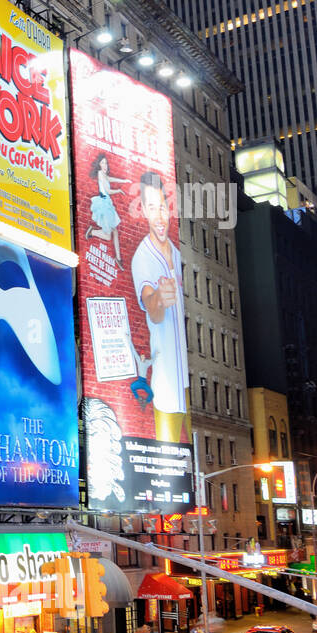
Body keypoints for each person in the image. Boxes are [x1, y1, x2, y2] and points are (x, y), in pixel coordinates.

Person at [130, 170, 190, 443]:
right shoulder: (142, 257)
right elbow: (151, 307)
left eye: (162, 207)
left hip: (187, 390)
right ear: (143, 210)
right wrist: (159, 300)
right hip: (166, 393)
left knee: (192, 473)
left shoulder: (177, 255)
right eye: (151, 207)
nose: (159, 215)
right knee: (168, 466)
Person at [83, 154, 134, 269]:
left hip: (108, 204)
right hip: (104, 204)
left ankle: (119, 258)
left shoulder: (104, 175)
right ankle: (92, 232)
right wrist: (119, 190)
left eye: (106, 163)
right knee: (108, 236)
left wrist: (124, 180)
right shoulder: (100, 174)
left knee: (115, 231)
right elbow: (107, 190)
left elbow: (110, 179)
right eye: (102, 163)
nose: (105, 165)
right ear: (99, 165)